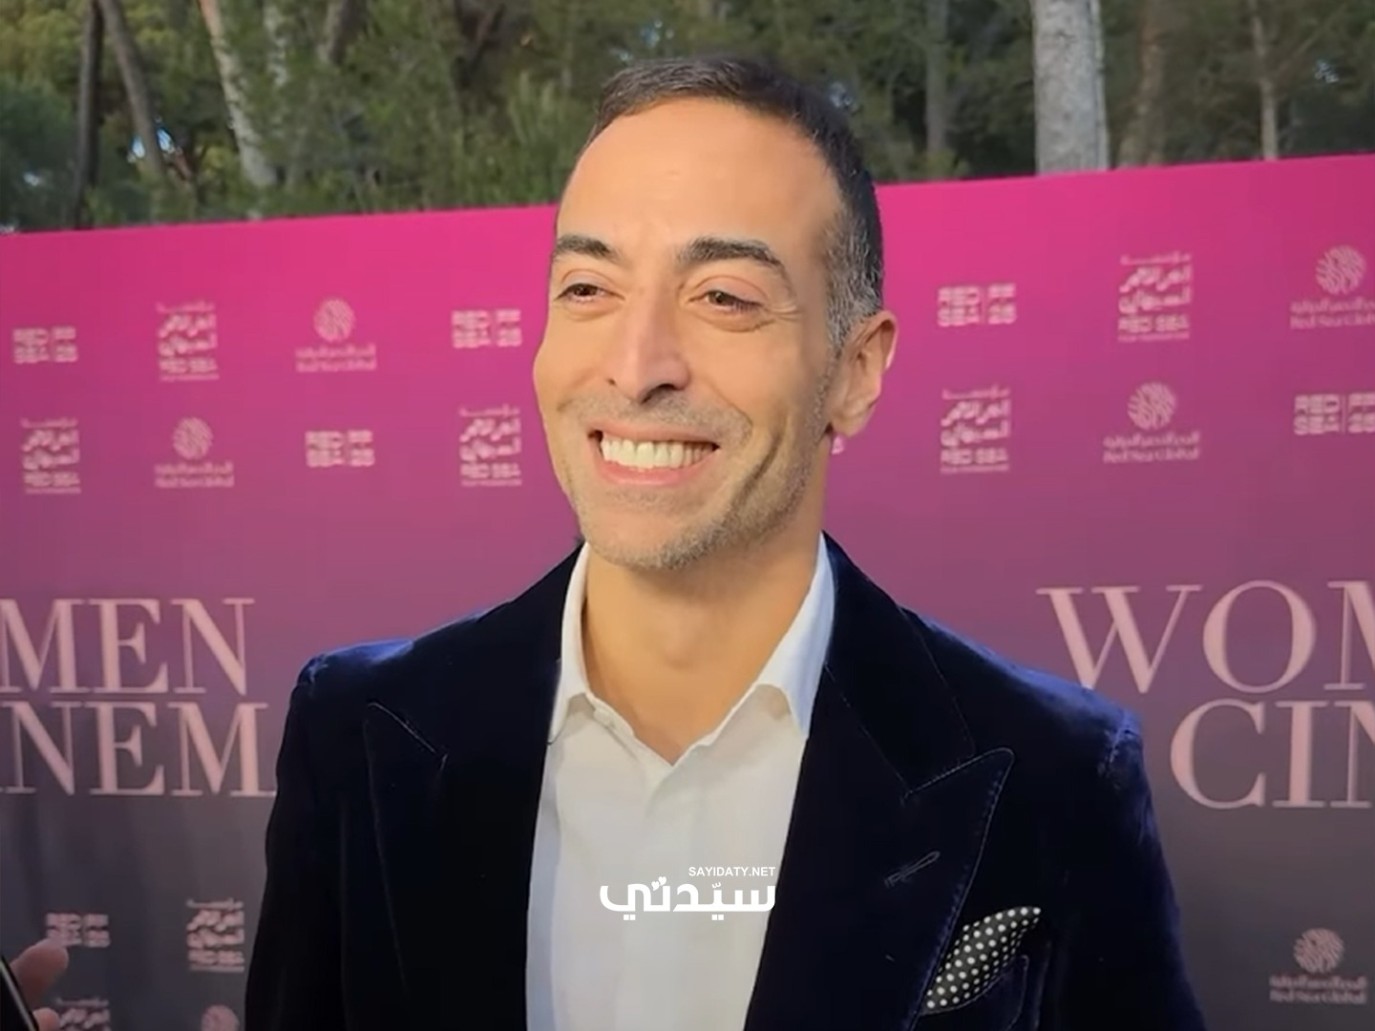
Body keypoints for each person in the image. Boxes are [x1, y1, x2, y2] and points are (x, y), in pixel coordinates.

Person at [15, 55, 1208, 1031]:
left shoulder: (1049, 772)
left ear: (854, 369)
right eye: (587, 289)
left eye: (724, 296)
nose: (636, 365)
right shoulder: (361, 733)